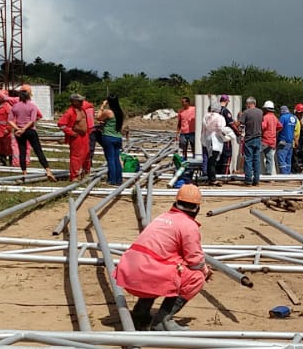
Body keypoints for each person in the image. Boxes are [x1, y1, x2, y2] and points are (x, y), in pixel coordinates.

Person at [113, 183, 212, 331]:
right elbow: (195, 260)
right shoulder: (188, 225)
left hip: (129, 272)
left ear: (176, 202)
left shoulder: (163, 217)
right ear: (197, 208)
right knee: (196, 277)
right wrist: (205, 271)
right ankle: (164, 320)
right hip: (146, 275)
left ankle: (141, 313)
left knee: (163, 267)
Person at [9, 88, 53, 178]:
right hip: (30, 130)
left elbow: (9, 120)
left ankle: (24, 172)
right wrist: (24, 129)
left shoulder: (15, 106)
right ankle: (48, 170)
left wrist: (18, 129)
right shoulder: (32, 106)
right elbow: (32, 120)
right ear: (28, 96)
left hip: (19, 131)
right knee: (38, 150)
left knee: (22, 151)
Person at [58, 92, 92, 179]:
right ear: (74, 101)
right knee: (76, 156)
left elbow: (90, 105)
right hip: (76, 136)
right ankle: (75, 176)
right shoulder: (70, 112)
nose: (81, 102)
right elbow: (61, 124)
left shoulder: (82, 109)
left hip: (85, 135)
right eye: (79, 101)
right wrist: (71, 133)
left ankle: (86, 172)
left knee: (87, 154)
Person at [95, 94, 127, 185]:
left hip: (108, 137)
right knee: (116, 158)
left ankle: (112, 180)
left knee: (110, 159)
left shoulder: (108, 112)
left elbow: (98, 117)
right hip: (118, 137)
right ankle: (119, 179)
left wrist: (102, 106)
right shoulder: (120, 112)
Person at [236, 97, 264, 185]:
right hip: (258, 138)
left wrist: (236, 119)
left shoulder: (246, 112)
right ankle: (256, 180)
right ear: (254, 103)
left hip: (249, 138)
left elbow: (239, 124)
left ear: (248, 104)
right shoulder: (260, 112)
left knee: (248, 159)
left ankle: (248, 180)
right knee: (257, 159)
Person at [0, 93, 18, 167]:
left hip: (5, 131)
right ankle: (2, 161)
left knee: (8, 146)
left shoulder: (7, 107)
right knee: (0, 146)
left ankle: (11, 162)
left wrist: (8, 128)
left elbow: (12, 119)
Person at [201, 103, 226, 184]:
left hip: (207, 139)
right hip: (215, 141)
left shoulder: (206, 116)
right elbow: (220, 128)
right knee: (213, 160)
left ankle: (209, 177)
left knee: (209, 159)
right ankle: (212, 178)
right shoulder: (219, 117)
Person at [260, 100, 279, 177]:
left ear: (266, 109)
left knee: (256, 155)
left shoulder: (265, 117)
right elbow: (280, 126)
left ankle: (257, 172)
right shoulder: (275, 118)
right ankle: (268, 175)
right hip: (272, 141)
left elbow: (262, 127)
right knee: (270, 159)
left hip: (264, 140)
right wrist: (274, 131)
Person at [276, 105, 296, 174]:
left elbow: (279, 128)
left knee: (281, 158)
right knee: (288, 159)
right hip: (290, 141)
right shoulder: (293, 117)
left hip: (283, 141)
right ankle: (288, 174)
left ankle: (284, 175)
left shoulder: (283, 117)